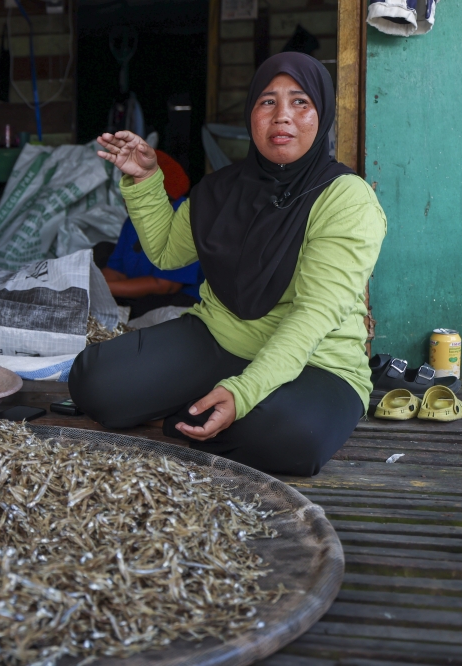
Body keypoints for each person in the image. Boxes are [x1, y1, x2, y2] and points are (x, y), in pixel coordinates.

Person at [69, 52, 386, 477]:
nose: (282, 116)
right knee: (95, 382)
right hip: (219, 338)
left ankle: (189, 415)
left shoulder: (346, 198)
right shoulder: (221, 189)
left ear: (322, 114)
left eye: (300, 102)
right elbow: (166, 252)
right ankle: (204, 413)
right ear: (251, 113)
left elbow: (314, 314)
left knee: (293, 437)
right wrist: (144, 179)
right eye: (267, 101)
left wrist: (245, 391)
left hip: (318, 360)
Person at [100, 151, 205, 320]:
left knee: (142, 311)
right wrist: (94, 284)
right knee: (100, 251)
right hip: (144, 286)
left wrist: (104, 288)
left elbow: (165, 285)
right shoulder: (135, 218)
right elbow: (116, 270)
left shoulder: (186, 221)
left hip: (181, 296)